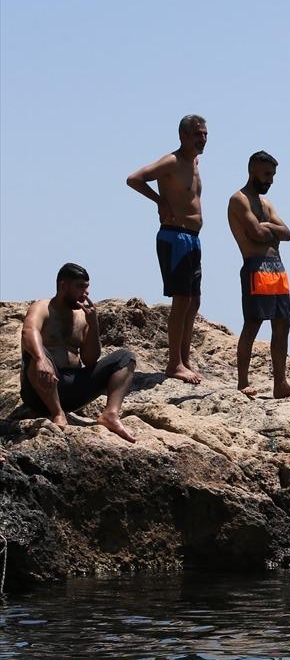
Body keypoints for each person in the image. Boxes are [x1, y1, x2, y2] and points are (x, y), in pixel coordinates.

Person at [126, 114, 207, 384]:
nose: (203, 139)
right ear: (183, 136)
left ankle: (184, 358)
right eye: (197, 134)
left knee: (194, 301)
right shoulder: (172, 161)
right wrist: (159, 201)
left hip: (192, 238)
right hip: (175, 238)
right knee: (181, 300)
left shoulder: (194, 163)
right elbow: (135, 179)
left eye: (205, 134)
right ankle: (174, 364)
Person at [20, 263, 137, 442]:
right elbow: (28, 332)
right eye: (80, 286)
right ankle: (57, 413)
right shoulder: (42, 307)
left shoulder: (82, 316)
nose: (86, 293)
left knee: (125, 357)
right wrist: (40, 359)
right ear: (63, 286)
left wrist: (93, 324)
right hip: (39, 389)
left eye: (87, 287)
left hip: (72, 390)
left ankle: (110, 415)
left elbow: (90, 360)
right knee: (35, 352)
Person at [226, 151, 290, 399]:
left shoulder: (266, 204)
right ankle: (243, 383)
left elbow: (287, 233)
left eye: (272, 175)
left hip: (277, 267)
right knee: (253, 323)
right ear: (252, 170)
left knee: (283, 324)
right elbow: (256, 234)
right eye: (266, 174)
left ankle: (280, 384)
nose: (270, 180)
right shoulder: (239, 199)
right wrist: (270, 232)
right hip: (256, 266)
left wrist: (269, 227)